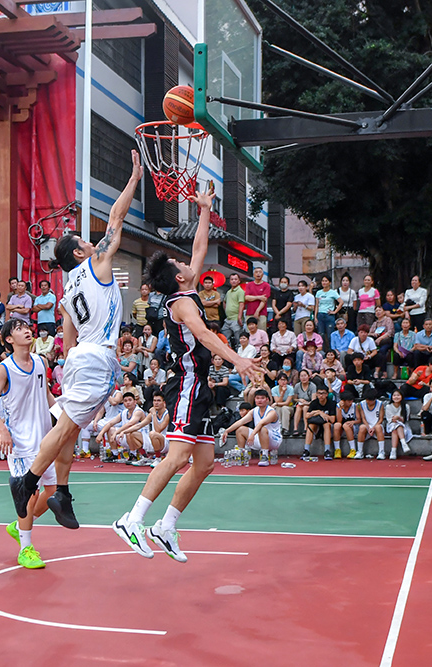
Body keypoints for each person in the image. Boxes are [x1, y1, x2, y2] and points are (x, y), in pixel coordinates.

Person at [112, 185, 260, 562]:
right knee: (178, 457)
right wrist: (238, 359)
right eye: (179, 264)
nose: (187, 262)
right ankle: (132, 519)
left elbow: (198, 246)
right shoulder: (182, 305)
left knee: (205, 463)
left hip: (200, 387)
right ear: (179, 278)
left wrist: (205, 210)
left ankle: (166, 526)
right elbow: (205, 335)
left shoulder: (186, 290)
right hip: (187, 385)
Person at [9, 150, 144, 531]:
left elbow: (67, 343)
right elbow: (116, 217)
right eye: (85, 240)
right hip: (95, 357)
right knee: (66, 427)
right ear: (80, 252)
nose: (92, 242)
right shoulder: (97, 264)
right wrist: (134, 178)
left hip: (79, 357)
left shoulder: (68, 289)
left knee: (70, 429)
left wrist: (76, 364)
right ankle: (27, 481)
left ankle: (63, 492)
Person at [0, 319, 58, 569]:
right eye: (19, 329)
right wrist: (2, 430)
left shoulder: (41, 362)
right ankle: (26, 548)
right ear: (8, 339)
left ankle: (19, 525)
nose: (27, 331)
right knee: (29, 492)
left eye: (27, 327)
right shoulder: (4, 369)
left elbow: (46, 394)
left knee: (53, 491)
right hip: (20, 442)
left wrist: (63, 419)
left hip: (44, 439)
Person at [221, 388, 282, 467]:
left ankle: (265, 456)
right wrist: (227, 431)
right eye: (257, 398)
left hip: (274, 440)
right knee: (240, 429)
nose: (260, 400)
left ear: (267, 399)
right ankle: (241, 454)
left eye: (262, 398)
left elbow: (261, 423)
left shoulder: (272, 412)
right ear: (254, 399)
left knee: (262, 429)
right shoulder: (254, 411)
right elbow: (241, 421)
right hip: (259, 437)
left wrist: (252, 434)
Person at [303, 383, 336, 460]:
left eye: (323, 393)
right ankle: (306, 450)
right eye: (319, 393)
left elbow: (332, 419)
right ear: (317, 394)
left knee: (327, 425)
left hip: (327, 426)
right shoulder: (314, 403)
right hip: (316, 424)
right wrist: (317, 412)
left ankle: (327, 450)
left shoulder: (331, 403)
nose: (321, 395)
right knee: (310, 426)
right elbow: (306, 416)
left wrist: (323, 414)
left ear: (327, 394)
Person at [355, 388, 386, 459]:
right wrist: (368, 428)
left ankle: (381, 452)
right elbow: (363, 418)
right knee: (362, 427)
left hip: (377, 425)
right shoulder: (362, 404)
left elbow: (381, 419)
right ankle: (360, 451)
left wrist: (373, 428)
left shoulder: (380, 404)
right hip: (367, 426)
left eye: (370, 400)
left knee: (378, 427)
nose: (368, 402)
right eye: (367, 400)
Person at [384, 389, 413, 459]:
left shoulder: (406, 406)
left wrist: (399, 418)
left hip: (403, 426)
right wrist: (396, 419)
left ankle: (393, 451)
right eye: (394, 395)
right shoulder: (388, 406)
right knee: (396, 427)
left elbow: (405, 419)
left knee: (397, 428)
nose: (396, 397)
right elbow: (390, 419)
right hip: (391, 425)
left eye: (398, 395)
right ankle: (403, 443)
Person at [314, 276, 341, 345]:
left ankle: (331, 350)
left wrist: (335, 311)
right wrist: (315, 316)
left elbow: (341, 302)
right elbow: (317, 305)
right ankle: (322, 350)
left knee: (330, 335)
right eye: (323, 281)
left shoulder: (333, 292)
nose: (324, 282)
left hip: (329, 315)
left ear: (330, 282)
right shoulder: (318, 292)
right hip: (320, 314)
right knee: (321, 335)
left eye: (326, 281)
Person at [333, 388, 358, 458]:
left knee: (346, 425)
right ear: (343, 401)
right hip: (342, 426)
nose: (351, 402)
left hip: (353, 426)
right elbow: (339, 420)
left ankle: (353, 449)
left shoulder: (354, 406)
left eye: (351, 401)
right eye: (349, 401)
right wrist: (340, 409)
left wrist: (353, 422)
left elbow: (359, 420)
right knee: (336, 425)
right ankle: (337, 449)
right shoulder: (338, 406)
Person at [221, 273, 245, 342]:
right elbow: (224, 302)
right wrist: (226, 311)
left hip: (236, 319)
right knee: (225, 339)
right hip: (228, 319)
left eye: (235, 279)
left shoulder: (240, 291)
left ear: (239, 281)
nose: (234, 281)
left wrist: (239, 317)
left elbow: (241, 304)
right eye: (232, 279)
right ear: (229, 281)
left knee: (239, 340)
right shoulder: (228, 292)